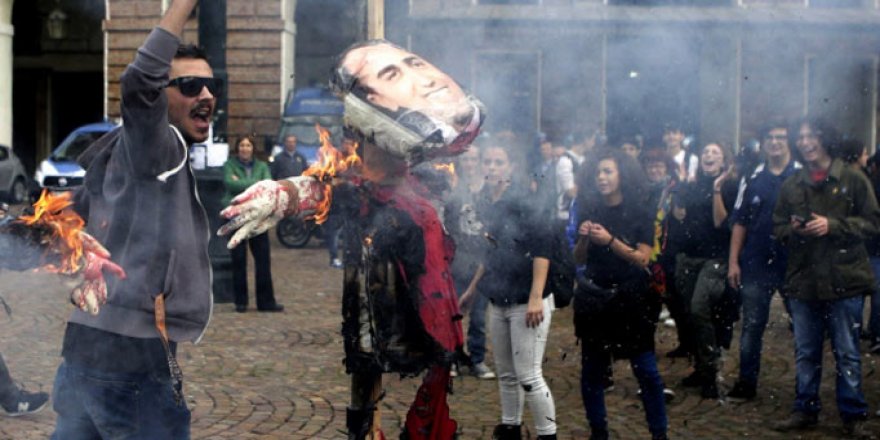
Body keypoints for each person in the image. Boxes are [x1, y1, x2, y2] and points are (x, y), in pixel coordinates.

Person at [51, 1, 216, 437]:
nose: (206, 95)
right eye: (190, 85)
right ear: (160, 98)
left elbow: (71, 223)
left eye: (211, 85)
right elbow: (139, 81)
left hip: (85, 352)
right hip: (130, 364)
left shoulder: (121, 149)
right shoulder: (156, 145)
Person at [771, 117, 877, 438]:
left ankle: (853, 415)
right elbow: (777, 227)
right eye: (800, 137)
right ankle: (805, 409)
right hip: (804, 281)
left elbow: (873, 223)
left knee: (847, 351)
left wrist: (833, 226)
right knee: (806, 351)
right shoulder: (792, 184)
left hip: (844, 278)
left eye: (812, 136)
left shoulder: (853, 179)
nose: (805, 142)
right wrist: (794, 230)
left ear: (825, 139)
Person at [460, 144, 557, 440]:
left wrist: (535, 297)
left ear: (511, 167)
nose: (491, 167)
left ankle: (547, 434)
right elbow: (490, 252)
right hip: (499, 297)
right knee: (506, 373)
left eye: (498, 162)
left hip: (527, 300)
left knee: (529, 374)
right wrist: (472, 289)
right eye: (488, 161)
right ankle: (510, 428)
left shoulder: (525, 201)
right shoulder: (486, 202)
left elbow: (543, 250)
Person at [572, 148, 668, 440]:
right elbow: (578, 259)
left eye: (608, 171)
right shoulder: (589, 207)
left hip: (630, 300)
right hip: (596, 299)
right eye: (598, 172)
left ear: (622, 175)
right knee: (592, 371)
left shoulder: (639, 209)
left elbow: (643, 258)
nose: (602, 177)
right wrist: (584, 239)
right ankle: (598, 432)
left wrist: (610, 241)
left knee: (646, 370)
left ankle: (659, 434)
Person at [726, 121, 800, 401]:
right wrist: (733, 262)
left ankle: (804, 390)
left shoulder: (802, 175)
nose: (775, 142)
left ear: (789, 141)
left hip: (794, 264)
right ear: (763, 142)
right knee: (752, 326)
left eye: (781, 137)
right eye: (770, 137)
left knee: (803, 328)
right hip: (756, 263)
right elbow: (740, 222)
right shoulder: (752, 177)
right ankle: (746, 384)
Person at [672, 142, 738, 399]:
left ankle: (710, 372)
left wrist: (717, 188)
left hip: (715, 258)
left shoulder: (729, 186)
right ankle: (701, 368)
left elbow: (720, 221)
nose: (709, 156)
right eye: (705, 152)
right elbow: (679, 215)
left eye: (715, 152)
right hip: (690, 257)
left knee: (700, 308)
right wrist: (681, 185)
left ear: (724, 161)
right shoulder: (693, 184)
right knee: (690, 313)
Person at [445, 145, 494, 379]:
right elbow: (448, 224)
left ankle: (477, 358)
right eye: (466, 159)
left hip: (481, 260)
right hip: (459, 259)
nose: (470, 164)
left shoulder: (488, 192)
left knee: (479, 314)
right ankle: (453, 357)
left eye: (474, 159)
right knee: (453, 311)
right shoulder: (455, 190)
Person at [223, 136, 281, 313]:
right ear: (237, 148)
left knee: (263, 260)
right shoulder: (229, 165)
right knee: (239, 260)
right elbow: (230, 184)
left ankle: (266, 302)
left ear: (253, 148)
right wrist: (256, 186)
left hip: (258, 217)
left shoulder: (262, 166)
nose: (245, 148)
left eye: (248, 145)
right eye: (242, 145)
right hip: (236, 217)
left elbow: (269, 186)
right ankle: (241, 302)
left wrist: (243, 186)